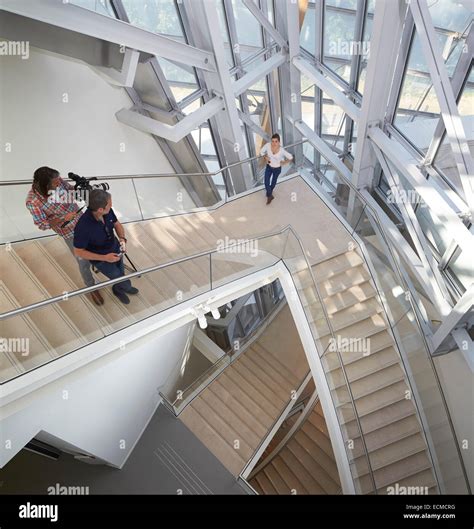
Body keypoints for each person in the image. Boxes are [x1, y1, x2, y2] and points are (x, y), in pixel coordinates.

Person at [25, 166, 103, 306]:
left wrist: (80, 191)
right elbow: (42, 224)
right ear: (44, 185)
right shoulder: (33, 202)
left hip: (83, 219)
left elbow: (70, 189)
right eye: (55, 183)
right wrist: (63, 218)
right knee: (82, 261)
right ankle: (91, 286)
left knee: (99, 243)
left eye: (58, 181)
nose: (58, 183)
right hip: (69, 232)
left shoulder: (58, 180)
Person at [73, 189, 139, 305]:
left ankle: (118, 288)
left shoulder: (107, 212)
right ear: (100, 209)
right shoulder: (83, 228)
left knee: (120, 273)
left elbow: (116, 224)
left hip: (116, 249)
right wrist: (105, 258)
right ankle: (124, 288)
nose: (112, 205)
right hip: (102, 260)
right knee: (119, 277)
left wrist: (122, 239)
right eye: (110, 204)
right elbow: (78, 251)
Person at [260, 133, 293, 205]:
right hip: (269, 167)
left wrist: (284, 163)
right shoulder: (268, 145)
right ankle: (269, 195)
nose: (274, 143)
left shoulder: (282, 150)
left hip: (277, 169)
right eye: (273, 141)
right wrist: (265, 157)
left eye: (276, 141)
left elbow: (290, 157)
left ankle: (269, 193)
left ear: (279, 142)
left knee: (273, 182)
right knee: (266, 182)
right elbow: (261, 151)